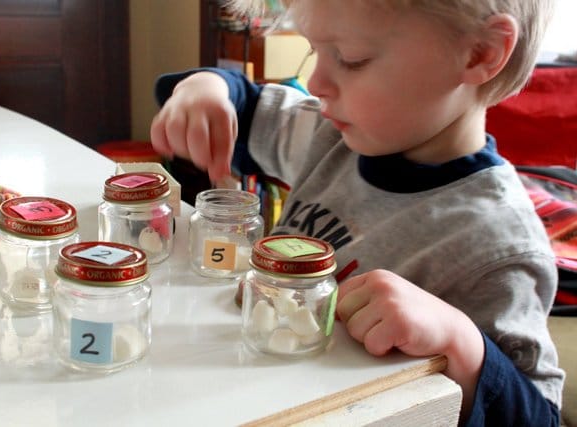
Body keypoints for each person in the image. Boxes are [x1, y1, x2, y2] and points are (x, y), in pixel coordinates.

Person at [150, 0, 565, 425]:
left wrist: (464, 345)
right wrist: (202, 89)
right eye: (315, 50)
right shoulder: (329, 136)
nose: (315, 83)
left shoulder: (496, 247)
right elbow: (238, 101)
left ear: (481, 53)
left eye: (351, 59)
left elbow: (537, 418)